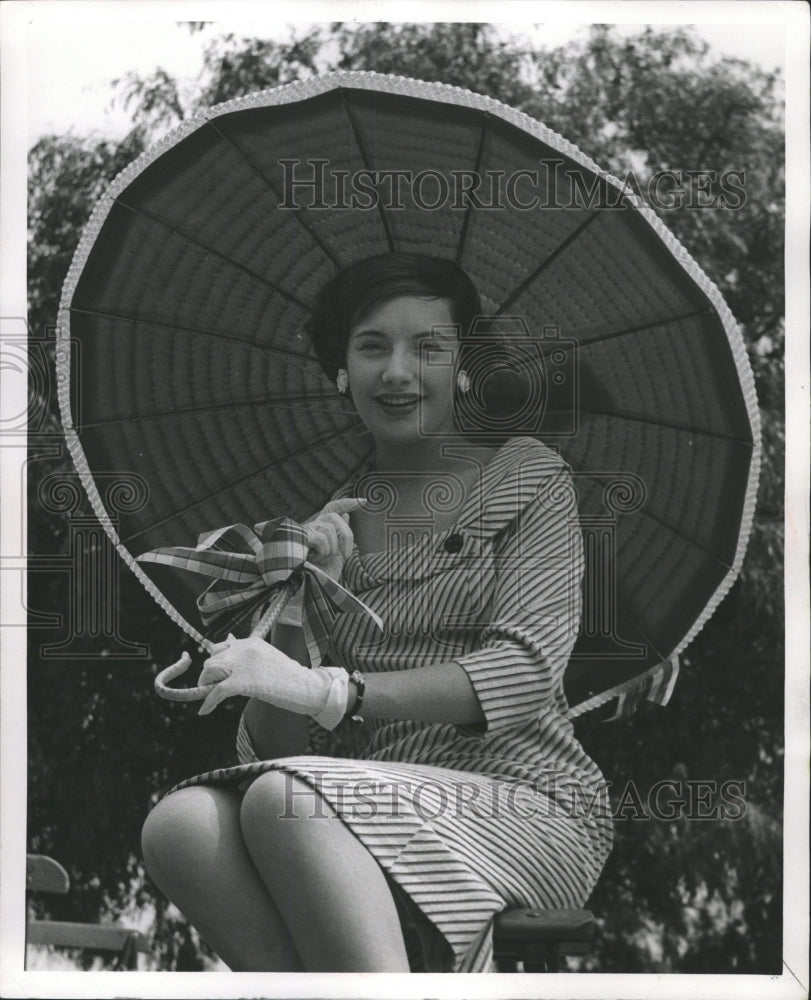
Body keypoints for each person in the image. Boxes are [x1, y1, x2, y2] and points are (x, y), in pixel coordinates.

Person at [140, 252, 613, 973]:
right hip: (358, 808)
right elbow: (278, 749)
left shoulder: (527, 475)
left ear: (462, 367)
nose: (397, 371)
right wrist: (297, 610)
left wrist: (334, 690)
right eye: (371, 347)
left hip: (525, 803)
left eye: (427, 347)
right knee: (181, 827)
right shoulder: (324, 537)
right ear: (341, 370)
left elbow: (522, 674)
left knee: (282, 802)